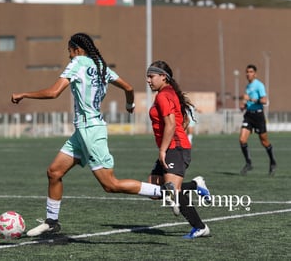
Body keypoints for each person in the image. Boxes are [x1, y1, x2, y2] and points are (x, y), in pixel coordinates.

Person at [11, 32, 170, 237]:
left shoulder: (78, 62)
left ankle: (164, 192)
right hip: (83, 132)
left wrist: (24, 94)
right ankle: (52, 222)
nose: (69, 56)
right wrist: (129, 104)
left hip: (90, 132)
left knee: (110, 185)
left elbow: (53, 92)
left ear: (77, 50)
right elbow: (128, 87)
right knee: (54, 172)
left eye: (69, 51)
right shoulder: (102, 67)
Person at [146, 60, 210, 239]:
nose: (148, 80)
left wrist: (163, 150)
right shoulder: (168, 93)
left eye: (151, 76)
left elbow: (171, 124)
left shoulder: (163, 96)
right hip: (172, 146)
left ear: (163, 77)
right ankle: (196, 185)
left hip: (175, 148)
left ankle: (200, 227)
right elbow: (181, 119)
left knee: (173, 190)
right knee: (154, 190)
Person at [239, 64, 277, 176]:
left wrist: (250, 99)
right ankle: (248, 163)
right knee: (242, 139)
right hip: (249, 115)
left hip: (258, 116)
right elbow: (247, 102)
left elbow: (264, 100)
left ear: (255, 73)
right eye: (247, 72)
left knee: (264, 141)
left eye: (250, 72)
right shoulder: (247, 86)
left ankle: (272, 161)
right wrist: (244, 106)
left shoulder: (259, 85)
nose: (248, 74)